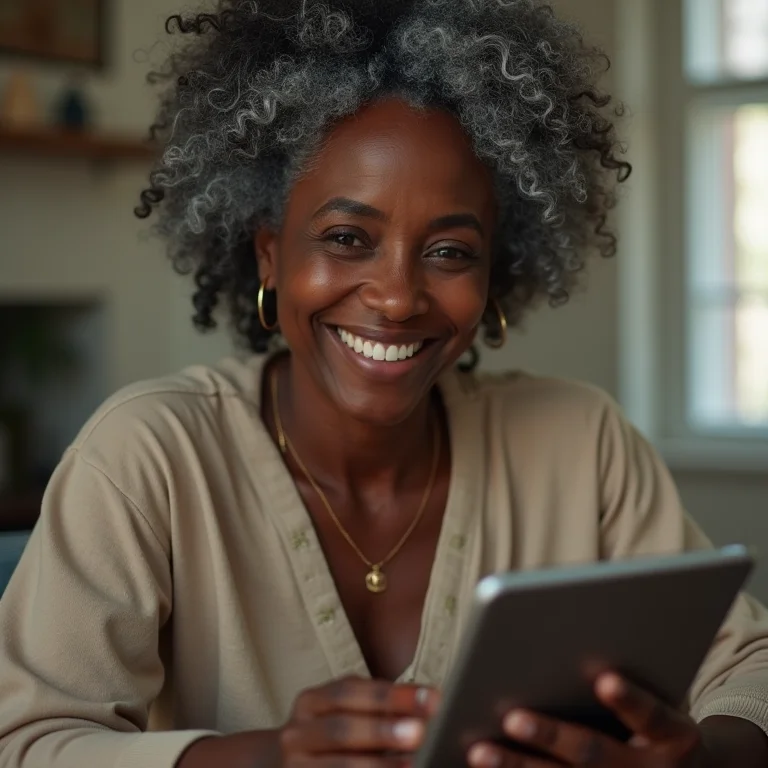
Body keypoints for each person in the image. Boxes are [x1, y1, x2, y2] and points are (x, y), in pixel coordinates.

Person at [0, 1, 767, 766]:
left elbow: (751, 672)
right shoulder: (148, 457)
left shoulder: (580, 442)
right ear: (269, 255)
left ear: (496, 270)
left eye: (450, 251)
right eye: (346, 239)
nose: (398, 298)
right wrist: (270, 759)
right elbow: (27, 742)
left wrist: (694, 759)